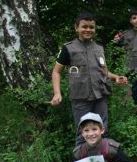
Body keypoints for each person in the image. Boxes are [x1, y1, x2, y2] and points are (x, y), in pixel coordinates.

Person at [50, 12, 127, 145]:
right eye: (84, 26)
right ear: (76, 28)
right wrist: (57, 93)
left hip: (100, 96)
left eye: (91, 27)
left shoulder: (98, 48)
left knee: (102, 130)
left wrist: (115, 77)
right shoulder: (68, 49)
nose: (88, 30)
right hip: (80, 98)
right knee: (82, 133)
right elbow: (56, 72)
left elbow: (104, 71)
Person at [113, 8, 137, 114]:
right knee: (135, 89)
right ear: (130, 21)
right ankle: (136, 107)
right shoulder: (126, 34)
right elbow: (119, 45)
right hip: (132, 67)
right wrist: (118, 40)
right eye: (134, 18)